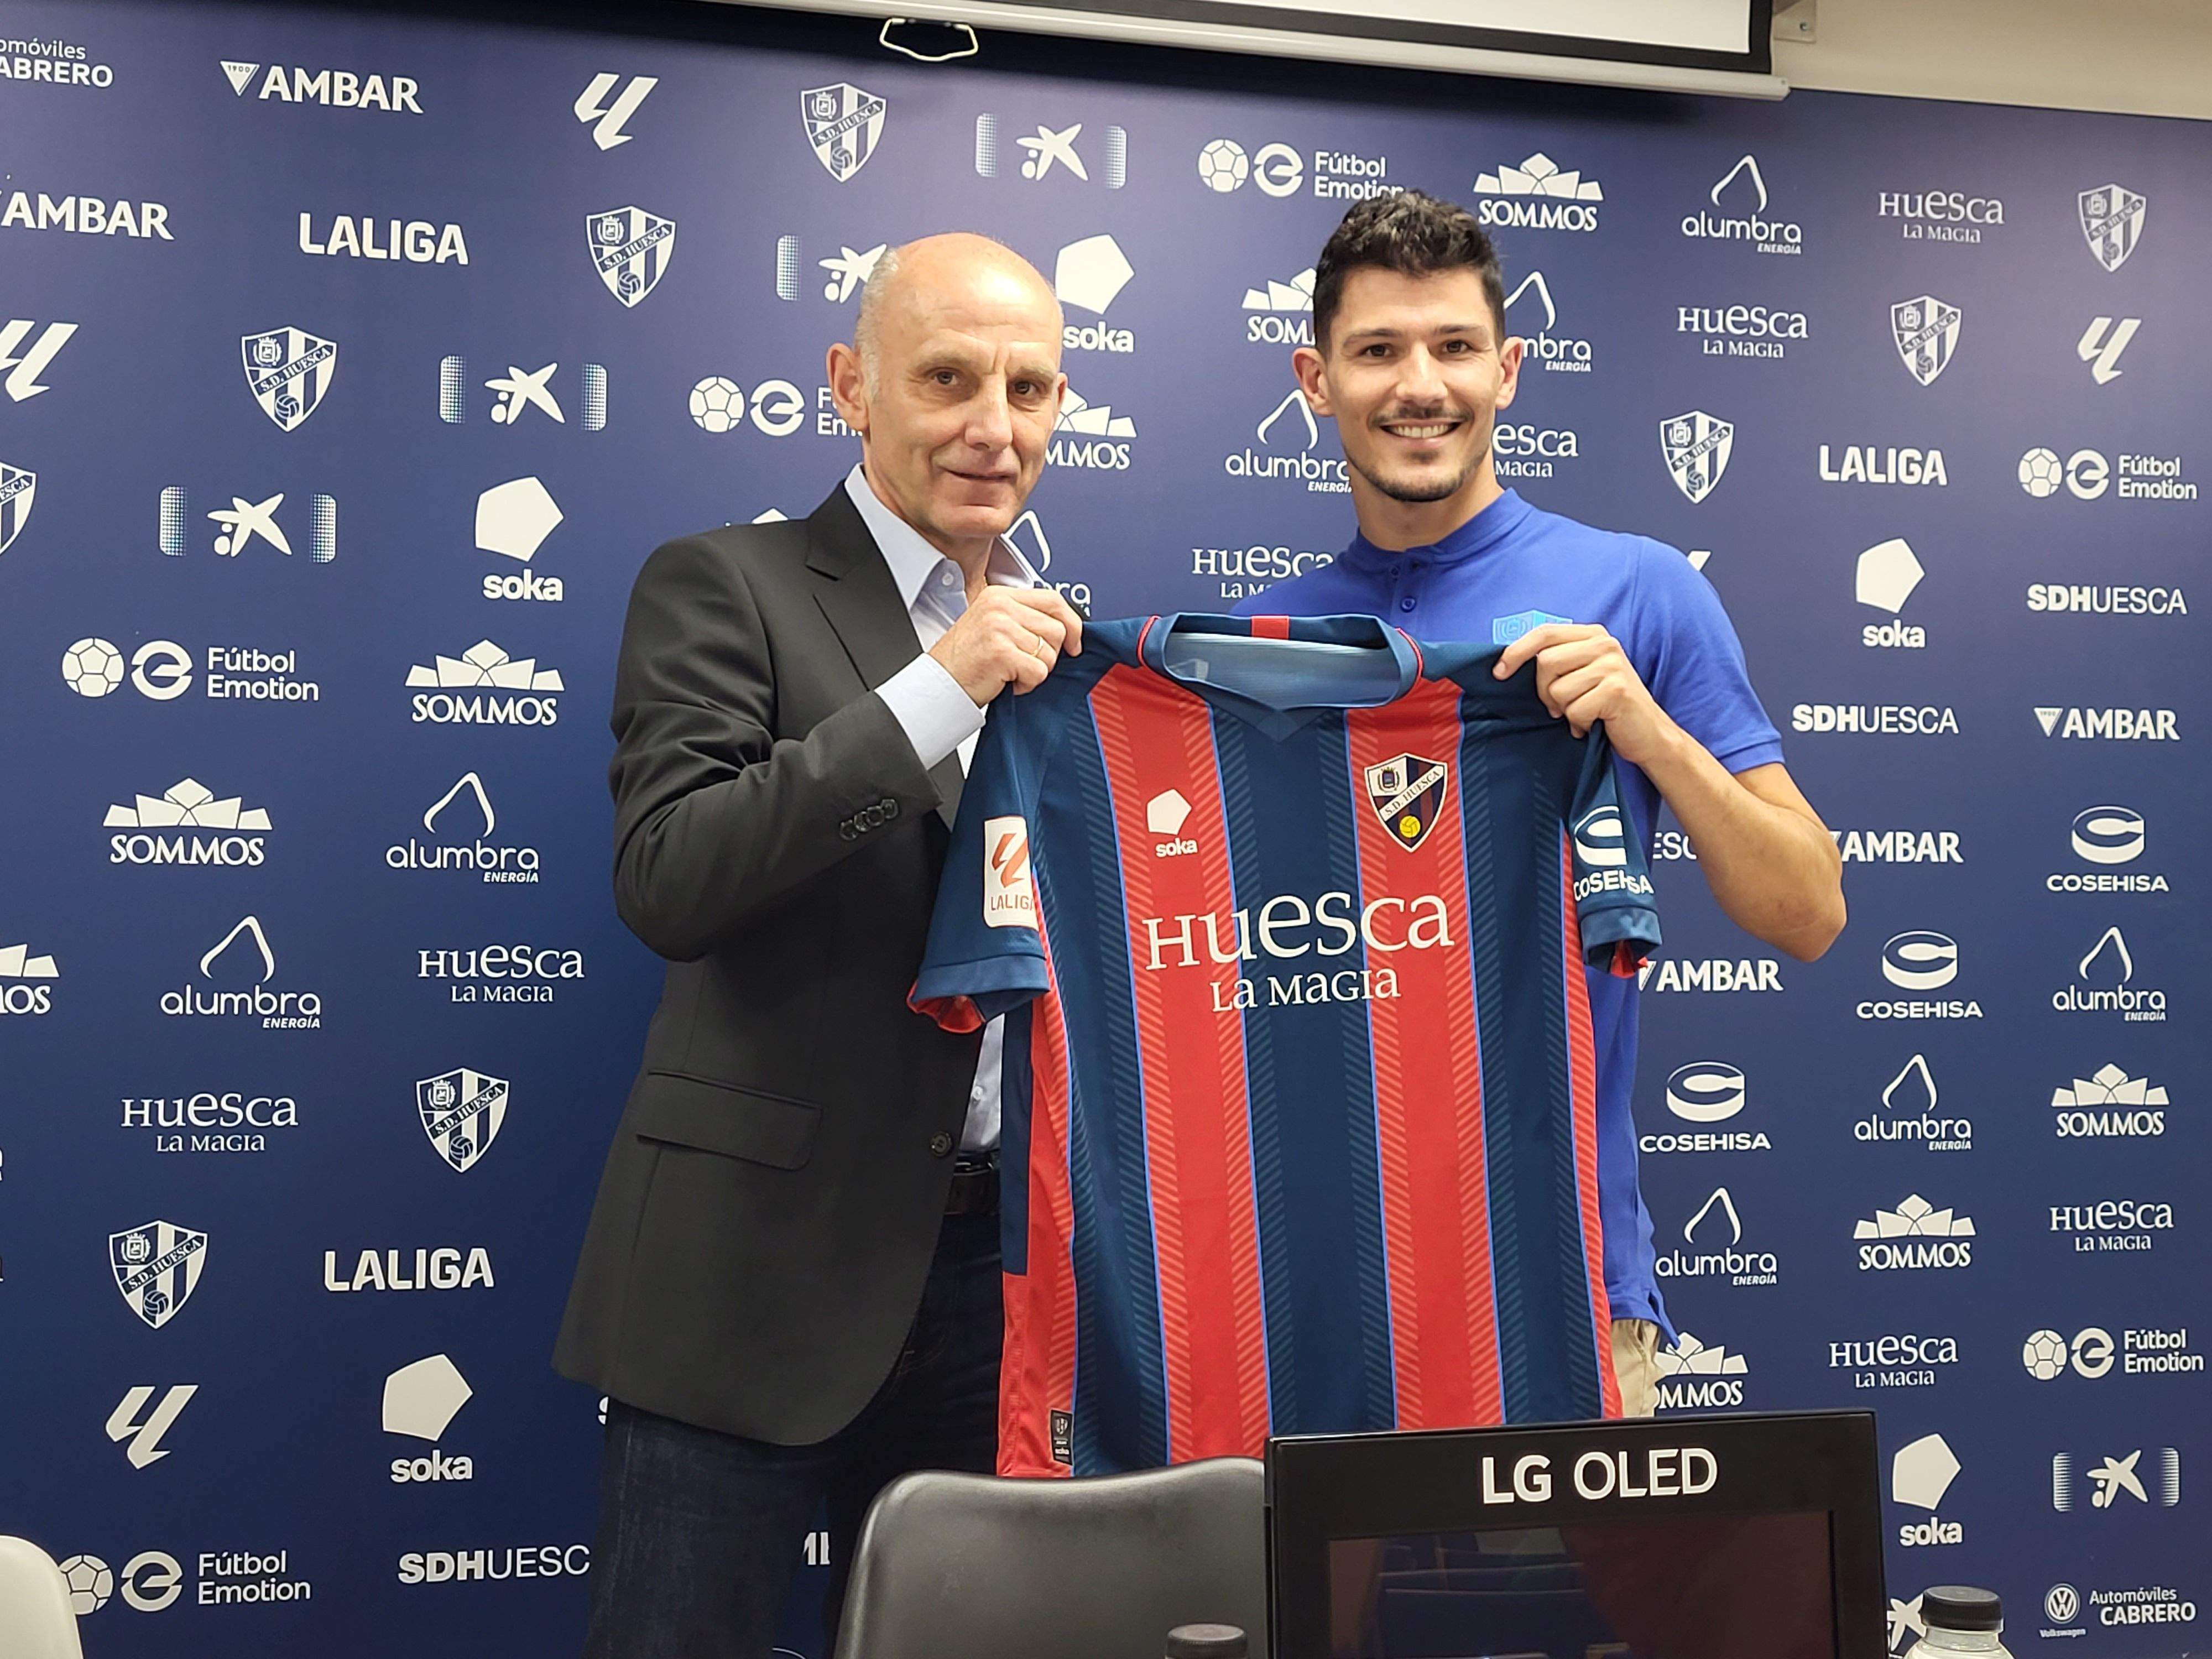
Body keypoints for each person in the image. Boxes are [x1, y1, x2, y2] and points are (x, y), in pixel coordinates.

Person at [555, 232, 1086, 1658]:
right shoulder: (722, 583)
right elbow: (671, 879)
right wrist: (936, 690)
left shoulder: (1072, 649)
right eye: (947, 379)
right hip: (748, 1276)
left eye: (1029, 388)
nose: (994, 427)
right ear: (851, 386)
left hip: (996, 1282)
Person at [1238, 190, 1846, 1415]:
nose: (1421, 385)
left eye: (1454, 347)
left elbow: (1809, 912)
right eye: (1377, 350)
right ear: (1316, 381)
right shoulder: (1259, 647)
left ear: (1506, 371)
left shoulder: (1642, 590)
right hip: (1310, 1291)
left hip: (1570, 1283)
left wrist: (1650, 732)